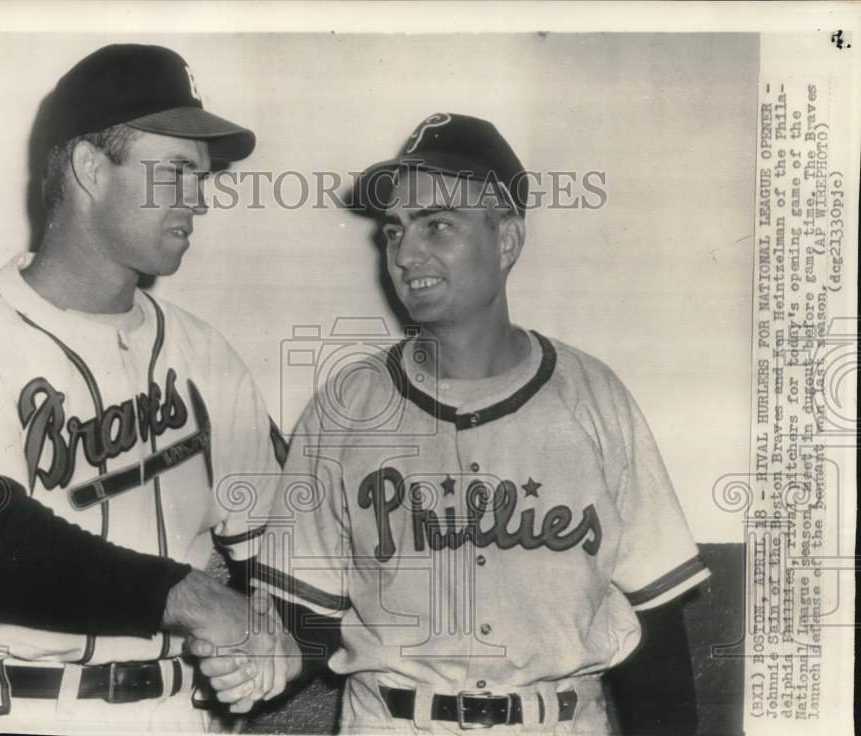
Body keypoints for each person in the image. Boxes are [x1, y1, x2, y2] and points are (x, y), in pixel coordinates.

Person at [196, 113, 710, 734]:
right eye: (394, 231)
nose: (406, 254)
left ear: (507, 240)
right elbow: (306, 616)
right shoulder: (347, 406)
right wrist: (264, 654)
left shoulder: (594, 398)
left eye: (438, 225)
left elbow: (654, 622)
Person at [0, 43, 299, 734]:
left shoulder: (207, 353)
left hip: (181, 714)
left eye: (202, 176)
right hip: (11, 709)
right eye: (176, 172)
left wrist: (270, 649)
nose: (198, 198)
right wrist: (195, 600)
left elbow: (283, 563)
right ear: (88, 168)